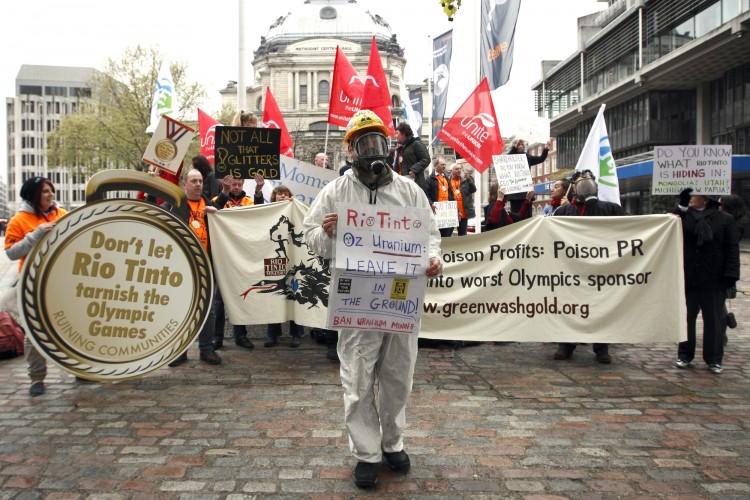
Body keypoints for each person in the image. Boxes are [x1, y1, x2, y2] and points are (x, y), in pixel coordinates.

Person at [303, 109, 443, 489]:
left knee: (398, 376)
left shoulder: (409, 191)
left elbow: (430, 233)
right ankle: (367, 453)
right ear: (351, 150)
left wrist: (433, 258)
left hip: (399, 300)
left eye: (378, 141)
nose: (372, 149)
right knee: (358, 378)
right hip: (356, 303)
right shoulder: (335, 191)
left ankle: (392, 442)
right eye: (364, 142)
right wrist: (328, 232)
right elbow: (309, 235)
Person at [553, 169, 625, 364]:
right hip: (572, 270)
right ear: (575, 189)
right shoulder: (564, 211)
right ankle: (566, 346)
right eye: (583, 185)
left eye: (589, 184)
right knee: (569, 307)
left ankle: (602, 347)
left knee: (600, 308)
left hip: (599, 268)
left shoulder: (610, 209)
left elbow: (631, 228)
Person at [5, 177, 68, 396]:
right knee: (34, 331)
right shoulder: (19, 220)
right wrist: (37, 234)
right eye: (45, 192)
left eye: (51, 191)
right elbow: (12, 252)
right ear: (33, 195)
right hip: (34, 281)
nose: (51, 195)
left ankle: (79, 368)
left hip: (63, 279)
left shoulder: (61, 214)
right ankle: (37, 377)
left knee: (73, 325)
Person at [671, 189, 739, 374]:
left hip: (714, 278)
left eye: (694, 195)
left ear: (706, 200)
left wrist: (731, 276)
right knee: (686, 319)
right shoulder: (684, 217)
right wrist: (682, 205)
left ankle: (714, 359)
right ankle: (685, 354)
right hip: (689, 277)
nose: (691, 198)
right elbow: (667, 223)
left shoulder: (725, 220)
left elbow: (731, 249)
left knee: (714, 321)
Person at [167, 169, 222, 366]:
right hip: (182, 266)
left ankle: (207, 350)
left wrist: (217, 215)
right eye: (194, 181)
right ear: (185, 184)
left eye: (200, 181)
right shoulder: (174, 205)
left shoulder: (210, 205)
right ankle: (180, 352)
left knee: (208, 310)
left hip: (207, 264)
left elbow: (227, 222)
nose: (198, 184)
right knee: (181, 309)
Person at [211, 174, 265, 350]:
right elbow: (213, 210)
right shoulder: (217, 199)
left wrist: (258, 191)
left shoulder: (249, 201)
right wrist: (224, 192)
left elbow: (259, 215)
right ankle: (216, 337)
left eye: (238, 184)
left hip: (241, 255)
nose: (235, 186)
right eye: (232, 184)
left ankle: (241, 336)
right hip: (222, 255)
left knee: (240, 297)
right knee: (219, 300)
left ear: (243, 185)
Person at [263, 185, 306, 348]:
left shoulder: (296, 209)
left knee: (295, 295)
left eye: (285, 194)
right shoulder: (268, 211)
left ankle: (297, 334)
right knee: (274, 295)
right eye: (279, 194)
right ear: (274, 196)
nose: (281, 196)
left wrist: (295, 204)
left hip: (293, 259)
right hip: (274, 259)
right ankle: (272, 334)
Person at [718, 194, 747, 345]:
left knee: (717, 305)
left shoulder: (733, 225)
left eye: (720, 204)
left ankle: (720, 336)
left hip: (722, 271)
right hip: (718, 269)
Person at [506, 138, 552, 216]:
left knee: (527, 216)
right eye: (518, 145)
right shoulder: (510, 156)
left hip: (526, 193)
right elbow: (509, 157)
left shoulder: (527, 156)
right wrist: (515, 147)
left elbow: (541, 159)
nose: (520, 146)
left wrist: (546, 148)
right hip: (515, 194)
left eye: (521, 145)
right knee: (515, 215)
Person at [390, 122, 430, 194]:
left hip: (415, 183)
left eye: (397, 133)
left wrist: (414, 169)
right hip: (402, 183)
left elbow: (426, 159)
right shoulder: (401, 148)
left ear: (403, 133)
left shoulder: (416, 143)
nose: (395, 136)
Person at [426, 156, 455, 237]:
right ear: (436, 166)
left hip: (447, 211)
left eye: (445, 164)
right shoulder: (429, 179)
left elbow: (451, 194)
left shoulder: (446, 178)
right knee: (437, 234)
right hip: (436, 211)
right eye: (442, 164)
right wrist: (431, 204)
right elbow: (425, 194)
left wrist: (456, 210)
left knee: (447, 234)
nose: (444, 166)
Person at [449, 163, 477, 236]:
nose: (459, 170)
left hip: (463, 214)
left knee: (463, 235)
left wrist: (469, 179)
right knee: (447, 234)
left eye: (460, 169)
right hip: (451, 213)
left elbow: (473, 190)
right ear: (451, 170)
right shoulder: (446, 181)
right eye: (456, 169)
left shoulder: (466, 180)